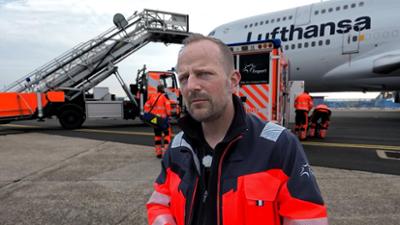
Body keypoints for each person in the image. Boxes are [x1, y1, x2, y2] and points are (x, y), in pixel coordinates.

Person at [146, 34, 328, 225]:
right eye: (183, 78)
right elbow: (159, 204)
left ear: (233, 81)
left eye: (203, 74)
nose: (191, 86)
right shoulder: (177, 147)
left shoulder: (279, 146)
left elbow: (307, 218)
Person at [144, 84, 172, 158]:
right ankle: (166, 153)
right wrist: (169, 115)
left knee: (157, 136)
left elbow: (146, 106)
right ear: (163, 89)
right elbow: (168, 108)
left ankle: (158, 153)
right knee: (166, 135)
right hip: (163, 119)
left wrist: (152, 114)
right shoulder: (164, 96)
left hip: (155, 119)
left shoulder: (152, 96)